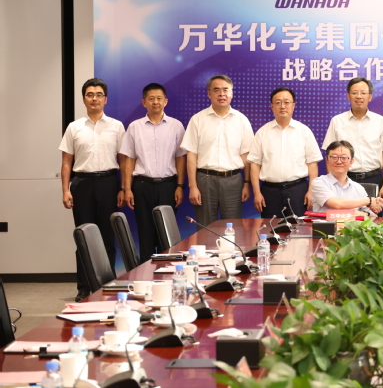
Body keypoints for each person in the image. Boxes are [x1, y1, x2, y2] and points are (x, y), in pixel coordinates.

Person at [59, 78, 125, 301]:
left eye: (98, 94)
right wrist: (65, 190)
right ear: (83, 99)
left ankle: (107, 284)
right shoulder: (74, 127)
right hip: (81, 184)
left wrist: (123, 188)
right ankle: (84, 287)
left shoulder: (116, 126)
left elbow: (124, 160)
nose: (94, 98)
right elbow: (66, 162)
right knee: (83, 236)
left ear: (105, 99)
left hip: (108, 183)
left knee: (107, 236)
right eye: (90, 94)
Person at [120, 83, 186, 260]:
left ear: (165, 101)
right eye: (151, 99)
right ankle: (146, 274)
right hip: (142, 186)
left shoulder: (176, 126)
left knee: (166, 235)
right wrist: (127, 189)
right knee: (145, 233)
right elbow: (129, 159)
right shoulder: (135, 127)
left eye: (159, 98)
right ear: (144, 102)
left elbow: (180, 158)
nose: (155, 102)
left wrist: (180, 186)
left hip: (168, 186)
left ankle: (167, 272)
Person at [181, 75, 254, 227]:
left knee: (233, 227)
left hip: (233, 181)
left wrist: (247, 183)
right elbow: (191, 156)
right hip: (205, 180)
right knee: (205, 228)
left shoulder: (241, 120)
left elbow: (246, 156)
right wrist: (193, 187)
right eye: (216, 90)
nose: (222, 94)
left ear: (232, 93)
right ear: (209, 94)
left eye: (226, 90)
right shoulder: (198, 119)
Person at [248, 87, 322, 218]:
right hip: (270, 192)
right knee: (270, 228)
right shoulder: (262, 132)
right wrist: (257, 193)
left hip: (298, 191)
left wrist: (311, 191)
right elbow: (255, 164)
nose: (282, 106)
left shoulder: (304, 131)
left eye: (287, 102)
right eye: (278, 102)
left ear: (293, 106)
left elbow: (312, 164)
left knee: (300, 229)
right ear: (272, 106)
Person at [322, 77, 383, 198]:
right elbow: (330, 156)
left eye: (363, 93)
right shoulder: (337, 121)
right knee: (346, 211)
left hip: (374, 178)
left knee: (373, 211)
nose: (359, 96)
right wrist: (332, 185)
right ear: (348, 96)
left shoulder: (380, 121)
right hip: (345, 179)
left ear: (370, 97)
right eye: (354, 93)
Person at [311, 141, 383, 216]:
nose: (339, 161)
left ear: (351, 161)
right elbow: (337, 204)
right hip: (326, 224)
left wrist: (361, 213)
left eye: (344, 158)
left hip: (353, 224)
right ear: (327, 160)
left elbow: (373, 216)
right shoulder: (319, 182)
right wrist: (369, 200)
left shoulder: (358, 188)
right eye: (334, 157)